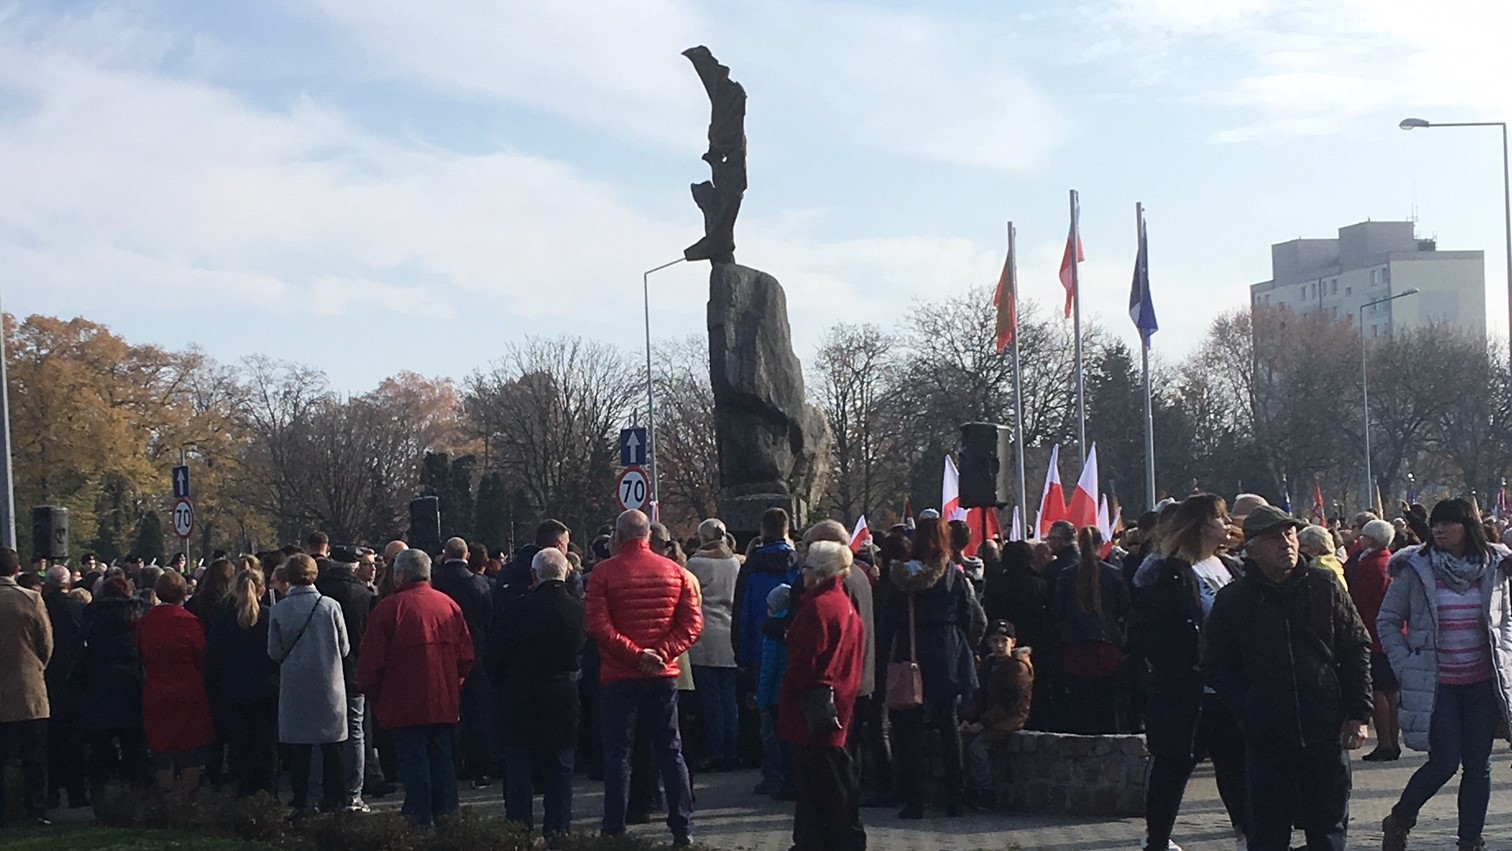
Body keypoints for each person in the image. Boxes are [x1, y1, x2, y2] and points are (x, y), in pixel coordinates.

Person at [1203, 505, 1372, 851]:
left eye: (1290, 533)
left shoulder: (1323, 585)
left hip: (1324, 727)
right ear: (1251, 547)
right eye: (1273, 537)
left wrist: (1358, 713)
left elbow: (1356, 647)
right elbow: (1217, 666)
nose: (1286, 543)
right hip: (1268, 733)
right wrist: (1247, 707)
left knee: (1327, 828)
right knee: (1268, 831)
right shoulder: (1235, 600)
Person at [1379, 497, 1512, 851]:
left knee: (1478, 766)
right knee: (1444, 762)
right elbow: (1388, 620)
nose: (1438, 529)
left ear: (1467, 527)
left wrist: (1507, 655)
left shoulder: (1493, 566)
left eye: (1448, 523)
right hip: (1438, 686)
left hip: (1482, 683)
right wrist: (1404, 662)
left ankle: (1470, 840)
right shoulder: (1416, 567)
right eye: (1435, 523)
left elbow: (1505, 620)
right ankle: (1400, 818)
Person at [1128, 493, 1249, 851]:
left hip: (1228, 689)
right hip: (1185, 690)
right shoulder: (1168, 572)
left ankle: (1249, 835)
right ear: (1199, 524)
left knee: (1236, 767)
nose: (1227, 525)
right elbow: (1149, 633)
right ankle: (1158, 839)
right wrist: (1180, 669)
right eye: (1220, 518)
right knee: (1174, 766)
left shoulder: (1232, 567)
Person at [586, 509, 703, 846]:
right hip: (663, 674)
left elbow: (598, 626)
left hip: (619, 674)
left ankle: (614, 826)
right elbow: (692, 625)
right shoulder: (675, 573)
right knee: (671, 748)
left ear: (618, 537)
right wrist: (663, 652)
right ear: (648, 537)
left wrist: (636, 655)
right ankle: (683, 825)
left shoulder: (602, 574)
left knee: (618, 753)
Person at [878, 515, 985, 819]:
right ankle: (955, 798)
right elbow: (970, 615)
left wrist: (885, 658)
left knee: (909, 730)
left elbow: (888, 621)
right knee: (948, 724)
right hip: (946, 651)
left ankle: (915, 800)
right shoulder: (952, 574)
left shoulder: (899, 576)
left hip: (910, 650)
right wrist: (964, 645)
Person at [359, 549, 474, 828]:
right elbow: (466, 656)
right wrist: (452, 686)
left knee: (414, 764)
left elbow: (370, 662)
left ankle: (420, 822)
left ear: (400, 575)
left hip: (403, 702)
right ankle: (448, 820)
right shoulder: (448, 606)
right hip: (442, 699)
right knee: (443, 762)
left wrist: (376, 696)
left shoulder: (388, 609)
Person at [485, 547, 586, 842]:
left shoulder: (517, 608)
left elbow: (494, 656)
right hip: (563, 697)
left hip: (520, 697)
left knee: (519, 768)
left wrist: (502, 686)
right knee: (560, 769)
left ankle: (518, 833)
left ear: (533, 574)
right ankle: (558, 831)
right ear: (567, 573)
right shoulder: (578, 610)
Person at [779, 540, 866, 851]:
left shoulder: (818, 607)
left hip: (815, 706)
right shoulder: (841, 603)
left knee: (820, 785)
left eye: (807, 567)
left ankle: (822, 842)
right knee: (831, 781)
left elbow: (805, 660)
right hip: (837, 700)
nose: (803, 572)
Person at [268, 554, 349, 816]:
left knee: (299, 746)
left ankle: (301, 800)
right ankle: (336, 797)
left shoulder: (279, 610)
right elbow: (345, 648)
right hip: (329, 683)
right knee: (332, 745)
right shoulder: (331, 606)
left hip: (295, 684)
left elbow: (274, 651)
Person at [136, 570, 215, 791]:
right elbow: (201, 655)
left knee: (161, 748)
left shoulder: (145, 623)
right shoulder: (189, 621)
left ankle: (166, 801)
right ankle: (187, 802)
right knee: (190, 749)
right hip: (188, 688)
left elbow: (141, 653)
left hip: (156, 688)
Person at [206, 568, 280, 797]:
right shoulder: (270, 617)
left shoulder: (223, 620)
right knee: (267, 747)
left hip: (233, 691)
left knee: (239, 747)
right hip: (267, 690)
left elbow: (213, 659)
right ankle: (267, 794)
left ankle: (242, 794)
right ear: (262, 590)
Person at [314, 547, 376, 812]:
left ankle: (321, 792)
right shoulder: (364, 595)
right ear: (354, 566)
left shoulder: (319, 592)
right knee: (356, 732)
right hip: (354, 671)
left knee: (321, 734)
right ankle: (353, 794)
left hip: (323, 670)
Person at [78, 574, 152, 793]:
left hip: (100, 682)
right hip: (132, 680)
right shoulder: (138, 614)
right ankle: (138, 790)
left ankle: (100, 790)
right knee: (135, 741)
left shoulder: (91, 616)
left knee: (101, 743)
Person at [1053, 527, 1131, 734]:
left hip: (1075, 648)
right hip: (1107, 647)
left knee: (1080, 707)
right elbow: (1125, 607)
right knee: (1107, 707)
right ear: (1100, 544)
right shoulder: (1113, 573)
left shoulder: (1066, 575)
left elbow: (1057, 611)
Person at [432, 537, 495, 790]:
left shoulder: (435, 582)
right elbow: (489, 620)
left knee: (447, 713)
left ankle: (452, 764)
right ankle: (479, 769)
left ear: (445, 555)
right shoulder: (479, 584)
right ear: (466, 555)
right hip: (476, 655)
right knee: (478, 714)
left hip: (441, 654)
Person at [0, 547, 53, 827]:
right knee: (34, 755)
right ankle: (36, 810)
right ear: (16, 569)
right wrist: (36, 667)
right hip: (28, 687)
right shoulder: (31, 599)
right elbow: (46, 642)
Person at [684, 518, 741, 772]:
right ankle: (733, 749)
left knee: (711, 699)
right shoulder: (735, 563)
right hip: (730, 633)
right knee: (729, 698)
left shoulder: (696, 564)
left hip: (706, 635)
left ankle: (716, 751)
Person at [960, 619, 1033, 808]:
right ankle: (968, 790)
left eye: (1004, 641)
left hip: (1009, 719)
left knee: (977, 748)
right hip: (990, 717)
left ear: (1013, 642)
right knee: (962, 740)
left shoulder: (1018, 667)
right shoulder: (989, 664)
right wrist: (968, 718)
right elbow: (979, 695)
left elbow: (1008, 704)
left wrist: (983, 723)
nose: (1000, 646)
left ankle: (987, 793)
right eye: (995, 641)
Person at [1347, 518, 1401, 762]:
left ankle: (1385, 742)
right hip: (1396, 632)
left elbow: (1359, 598)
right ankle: (1393, 739)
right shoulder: (1393, 561)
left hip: (1373, 630)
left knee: (1378, 688)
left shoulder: (1369, 564)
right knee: (1392, 690)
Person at [41, 565, 87, 809]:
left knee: (49, 741)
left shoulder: (42, 607)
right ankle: (76, 792)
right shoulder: (78, 609)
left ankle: (51, 792)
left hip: (47, 679)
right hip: (74, 681)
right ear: (68, 585)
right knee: (74, 740)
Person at [1299, 525, 1348, 590]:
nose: (1298, 549)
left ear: (1317, 548)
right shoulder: (1335, 565)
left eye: (1302, 545)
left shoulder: (1317, 569)